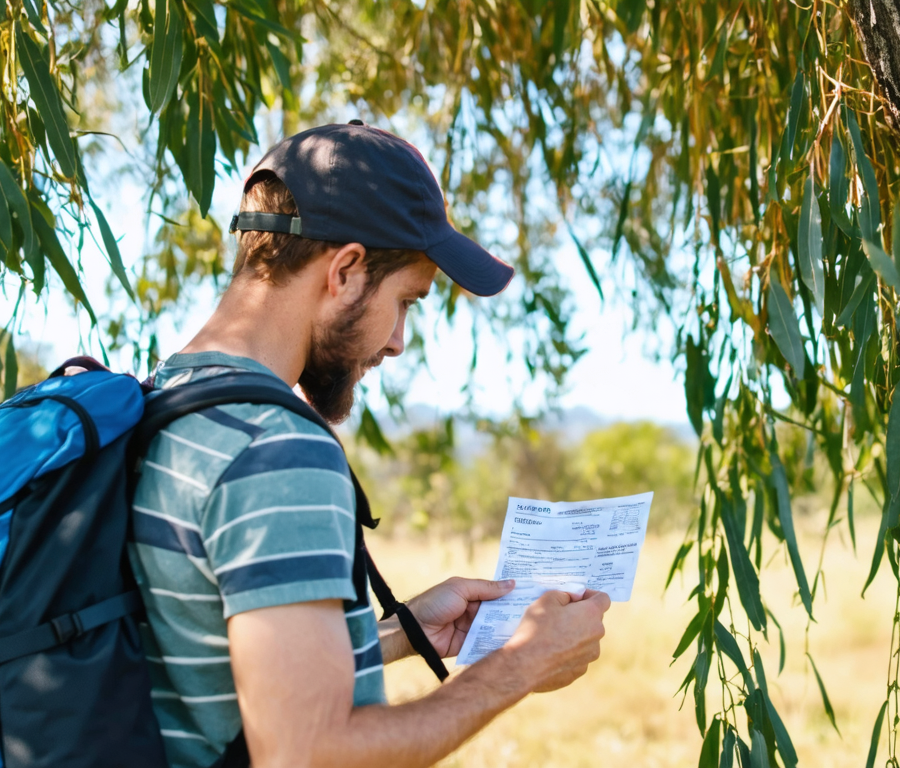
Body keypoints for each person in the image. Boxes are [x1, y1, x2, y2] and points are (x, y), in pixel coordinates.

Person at [128, 121, 612, 768]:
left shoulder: (161, 402)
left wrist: (397, 632)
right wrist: (518, 666)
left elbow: (202, 662)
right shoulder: (275, 453)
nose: (398, 341)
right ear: (347, 271)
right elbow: (306, 754)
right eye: (406, 300)